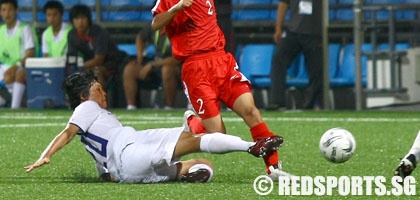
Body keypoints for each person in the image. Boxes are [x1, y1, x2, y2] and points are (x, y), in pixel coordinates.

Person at [151, 0, 291, 180]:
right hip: (196, 68)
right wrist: (175, 8)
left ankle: (274, 169)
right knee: (218, 134)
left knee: (251, 110)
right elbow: (155, 24)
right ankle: (194, 121)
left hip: (222, 61)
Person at [24, 69, 283, 183]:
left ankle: (184, 165)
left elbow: (106, 175)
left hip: (130, 162)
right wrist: (46, 155)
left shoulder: (94, 128)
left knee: (204, 163)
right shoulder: (86, 108)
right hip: (131, 147)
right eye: (98, 89)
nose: (103, 94)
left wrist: (121, 176)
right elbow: (67, 132)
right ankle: (252, 146)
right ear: (83, 96)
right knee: (195, 139)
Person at [269, 0, 341, 110]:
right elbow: (283, 3)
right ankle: (276, 101)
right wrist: (278, 27)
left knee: (317, 72)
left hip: (315, 33)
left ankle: (308, 105)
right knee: (278, 59)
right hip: (293, 30)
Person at [66, 4, 127, 87]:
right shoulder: (72, 35)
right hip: (88, 63)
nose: (80, 22)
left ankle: (101, 99)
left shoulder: (99, 33)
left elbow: (99, 60)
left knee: (97, 72)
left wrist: (80, 66)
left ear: (89, 19)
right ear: (72, 21)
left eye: (83, 18)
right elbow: (72, 57)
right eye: (77, 18)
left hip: (112, 63)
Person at [123, 25, 180, 110]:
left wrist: (152, 64)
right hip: (156, 63)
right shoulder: (155, 25)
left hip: (175, 66)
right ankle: (131, 107)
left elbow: (178, 58)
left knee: (167, 70)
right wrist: (140, 57)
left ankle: (169, 106)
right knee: (130, 69)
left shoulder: (178, 29)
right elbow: (140, 37)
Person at [0, 0, 38, 109]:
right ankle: (4, 100)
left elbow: (30, 52)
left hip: (21, 66)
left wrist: (15, 66)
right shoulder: (1, 30)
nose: (7, 13)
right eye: (3, 10)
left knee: (18, 74)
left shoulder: (24, 28)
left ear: (16, 10)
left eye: (10, 9)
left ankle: (15, 106)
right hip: (4, 66)